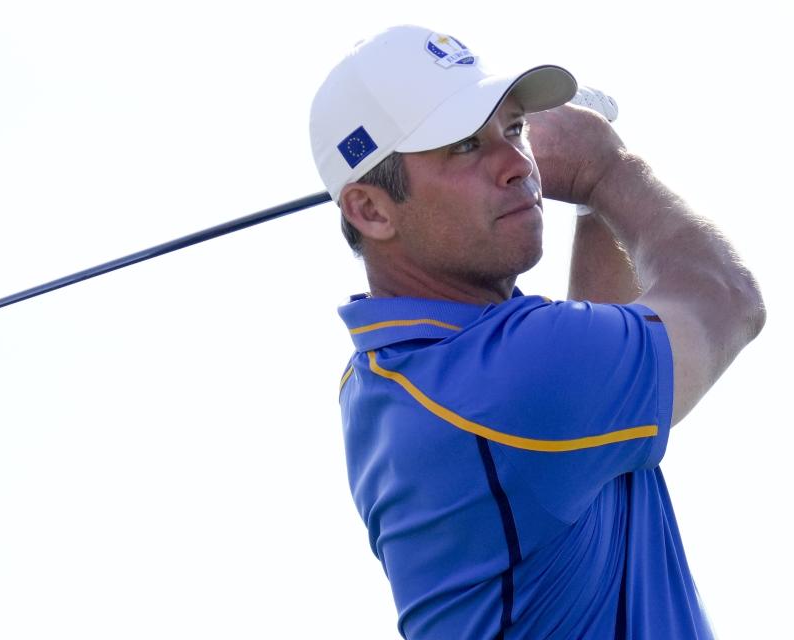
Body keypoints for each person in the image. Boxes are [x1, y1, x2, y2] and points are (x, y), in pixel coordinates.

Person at [309, 25, 765, 639]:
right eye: (465, 146)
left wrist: (591, 209)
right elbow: (727, 299)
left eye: (514, 128)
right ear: (369, 209)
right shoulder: (496, 379)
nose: (517, 164)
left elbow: (589, 399)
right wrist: (606, 170)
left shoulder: (394, 375)